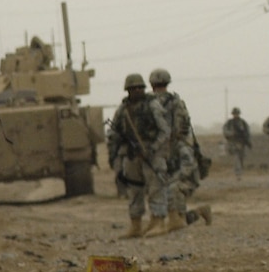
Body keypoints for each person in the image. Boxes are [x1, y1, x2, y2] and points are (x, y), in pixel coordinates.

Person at [106, 74, 171, 237]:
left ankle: (158, 222)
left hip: (151, 153)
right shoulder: (123, 109)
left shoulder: (152, 105)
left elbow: (165, 131)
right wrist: (114, 155)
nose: (136, 91)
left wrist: (153, 148)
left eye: (139, 88)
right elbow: (114, 133)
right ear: (127, 90)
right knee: (134, 189)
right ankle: (136, 225)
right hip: (131, 154)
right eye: (132, 89)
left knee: (156, 187)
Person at [149, 68, 208, 229]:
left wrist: (173, 180)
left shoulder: (181, 143)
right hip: (171, 163)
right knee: (170, 204)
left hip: (183, 175)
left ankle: (185, 218)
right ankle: (199, 212)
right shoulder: (172, 103)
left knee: (172, 191)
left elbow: (188, 165)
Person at [222, 107, 252, 179]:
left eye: (237, 114)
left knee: (241, 158)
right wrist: (232, 133)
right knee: (236, 157)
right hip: (233, 143)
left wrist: (248, 141)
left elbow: (247, 132)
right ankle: (238, 173)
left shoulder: (243, 123)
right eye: (234, 114)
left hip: (241, 142)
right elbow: (225, 131)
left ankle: (240, 170)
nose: (236, 115)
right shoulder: (229, 123)